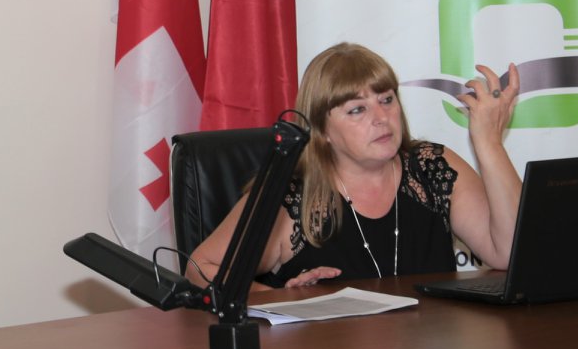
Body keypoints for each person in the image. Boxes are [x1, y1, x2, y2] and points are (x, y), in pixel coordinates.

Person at [187, 42, 522, 293]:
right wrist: (277, 298)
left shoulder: (432, 167)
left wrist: (489, 142)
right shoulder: (292, 195)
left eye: (386, 99)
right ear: (323, 130)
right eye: (357, 110)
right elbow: (201, 268)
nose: (381, 118)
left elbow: (509, 253)